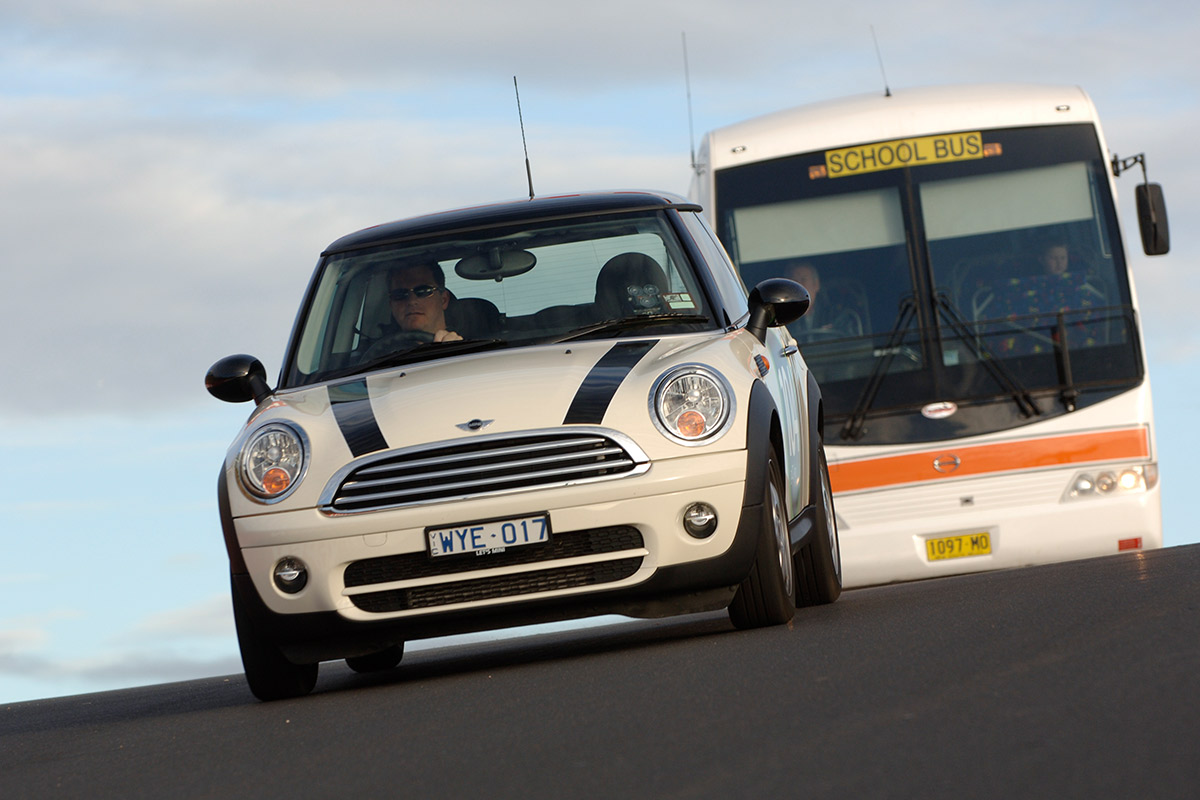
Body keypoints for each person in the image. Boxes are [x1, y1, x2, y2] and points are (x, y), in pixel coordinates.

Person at [384, 262, 462, 343]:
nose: (412, 301)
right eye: (400, 294)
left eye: (423, 291)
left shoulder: (471, 348)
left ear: (444, 300)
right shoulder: (379, 354)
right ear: (391, 305)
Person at [784, 261, 862, 340]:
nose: (799, 286)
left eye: (803, 280)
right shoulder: (782, 322)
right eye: (794, 281)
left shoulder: (837, 316)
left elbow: (852, 345)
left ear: (816, 285)